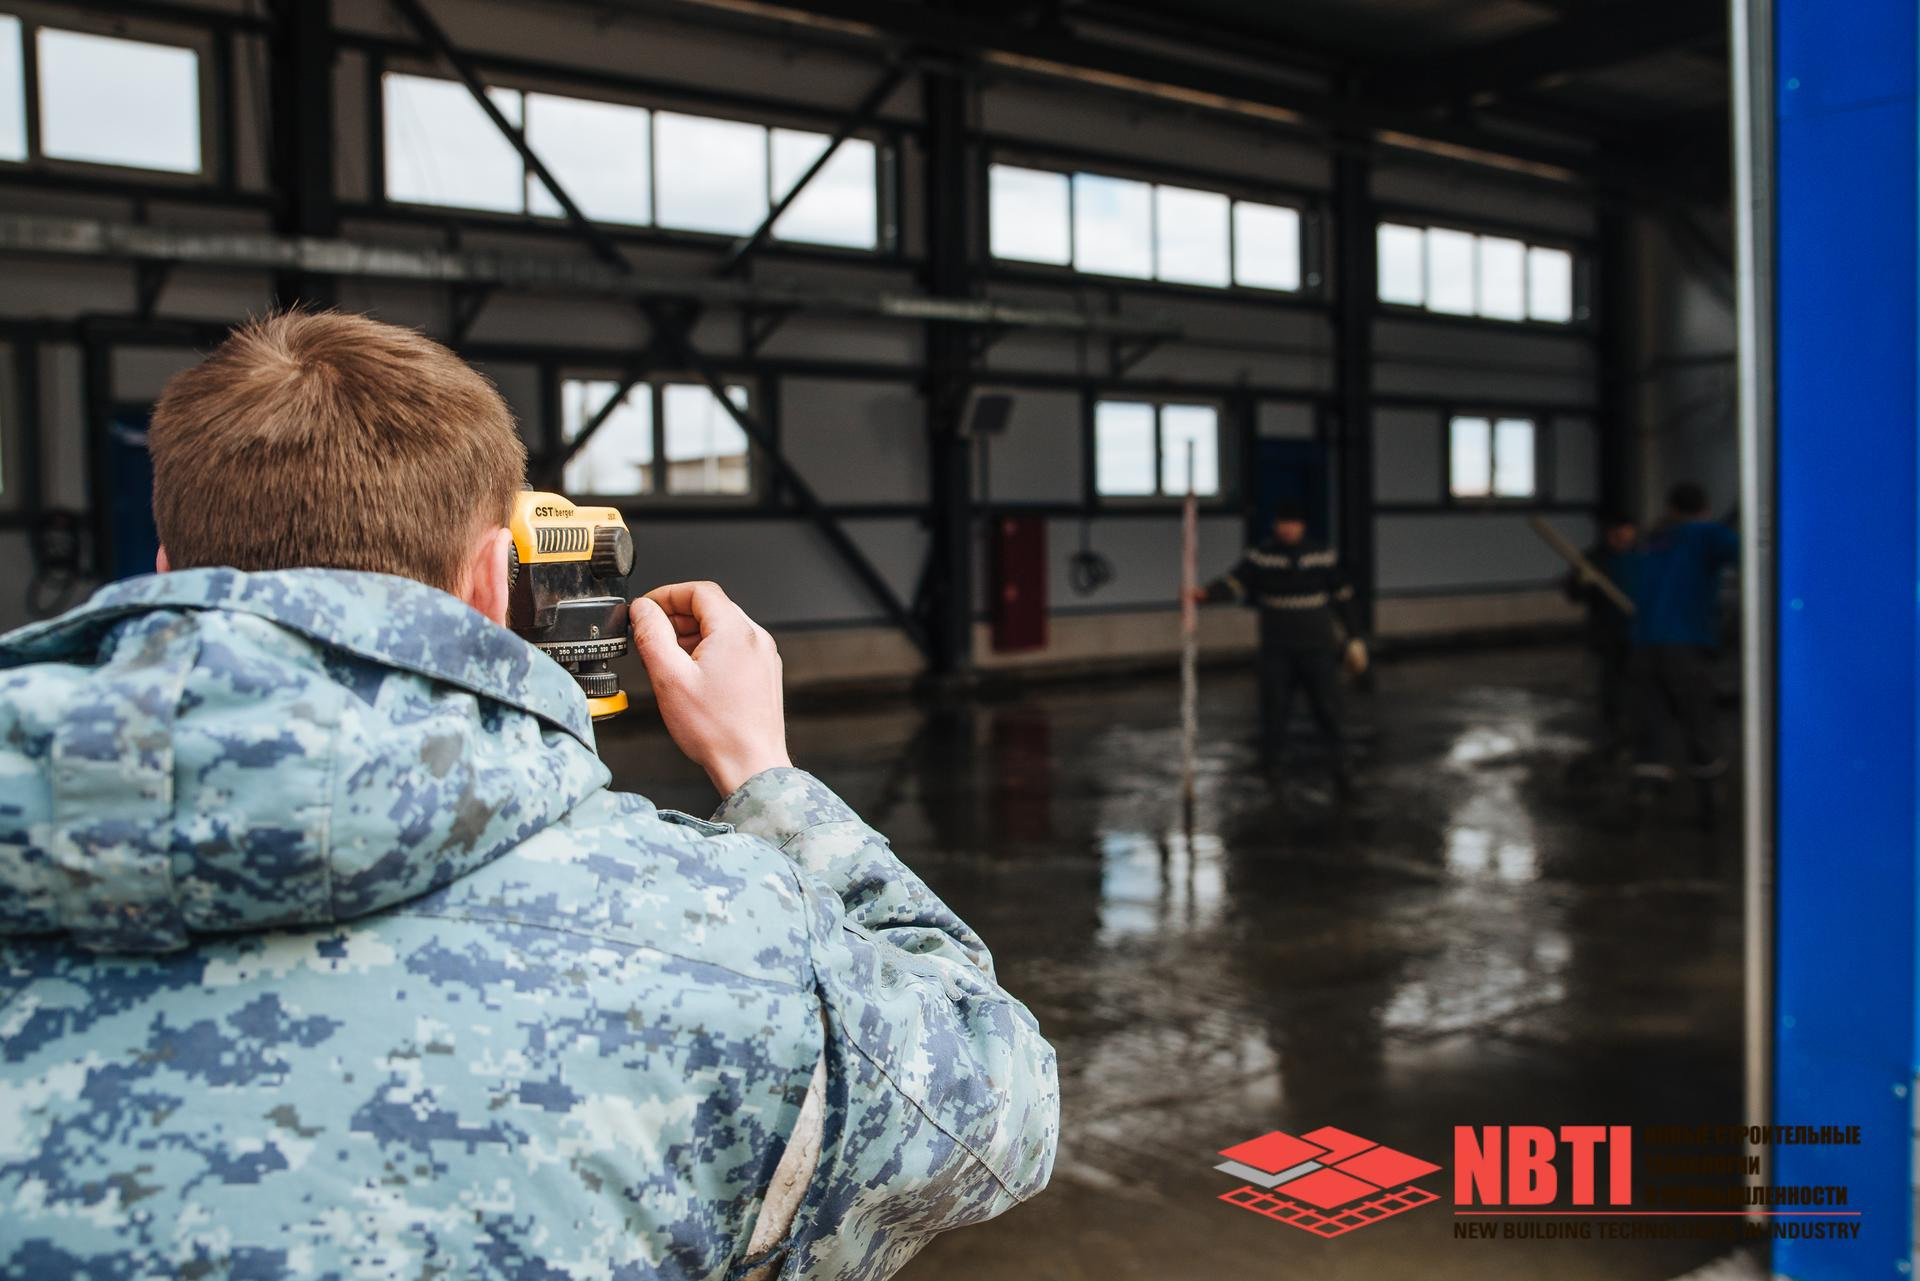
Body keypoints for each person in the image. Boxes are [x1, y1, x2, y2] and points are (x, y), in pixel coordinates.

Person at [0, 312, 1058, 1278]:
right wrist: (764, 775)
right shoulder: (726, 934)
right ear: (490, 581)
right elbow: (1006, 1114)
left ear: (168, 566)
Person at [1193, 501, 1362, 787]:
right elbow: (1234, 584)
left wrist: (1354, 637)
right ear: (1275, 525)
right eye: (1283, 523)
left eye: (1293, 523)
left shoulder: (1321, 555)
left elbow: (1343, 596)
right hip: (1277, 650)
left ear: (1302, 526)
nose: (1288, 529)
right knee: (1273, 711)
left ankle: (1340, 767)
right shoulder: (1261, 557)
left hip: (1318, 648)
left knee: (1328, 710)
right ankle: (1271, 770)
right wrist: (1205, 594)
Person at [1629, 481, 1739, 788]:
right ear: (1705, 509)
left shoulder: (1657, 537)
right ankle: (1709, 791)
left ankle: (1647, 792)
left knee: (1651, 720)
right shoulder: (1708, 533)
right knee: (1698, 718)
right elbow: (1753, 557)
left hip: (1642, 642)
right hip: (1685, 642)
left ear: (1671, 508)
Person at [1562, 514, 1639, 754]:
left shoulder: (1642, 557)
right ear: (1608, 534)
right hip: (1607, 632)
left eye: (1626, 536)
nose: (1622, 541)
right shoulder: (1594, 560)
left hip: (1639, 631)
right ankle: (1613, 729)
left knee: (1638, 680)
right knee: (1611, 681)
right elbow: (1574, 594)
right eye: (1617, 536)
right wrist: (1582, 582)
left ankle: (1635, 725)